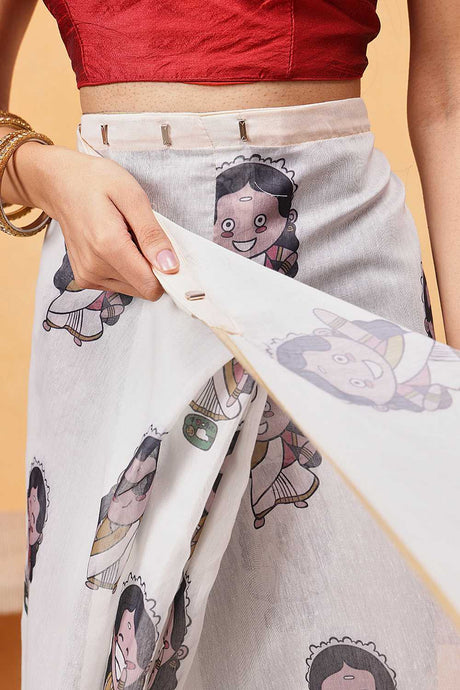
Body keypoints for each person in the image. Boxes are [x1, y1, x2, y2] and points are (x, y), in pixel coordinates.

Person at [1, 1, 459, 689]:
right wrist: (44, 177)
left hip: (343, 269)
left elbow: (450, 99)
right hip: (119, 268)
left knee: (360, 626)